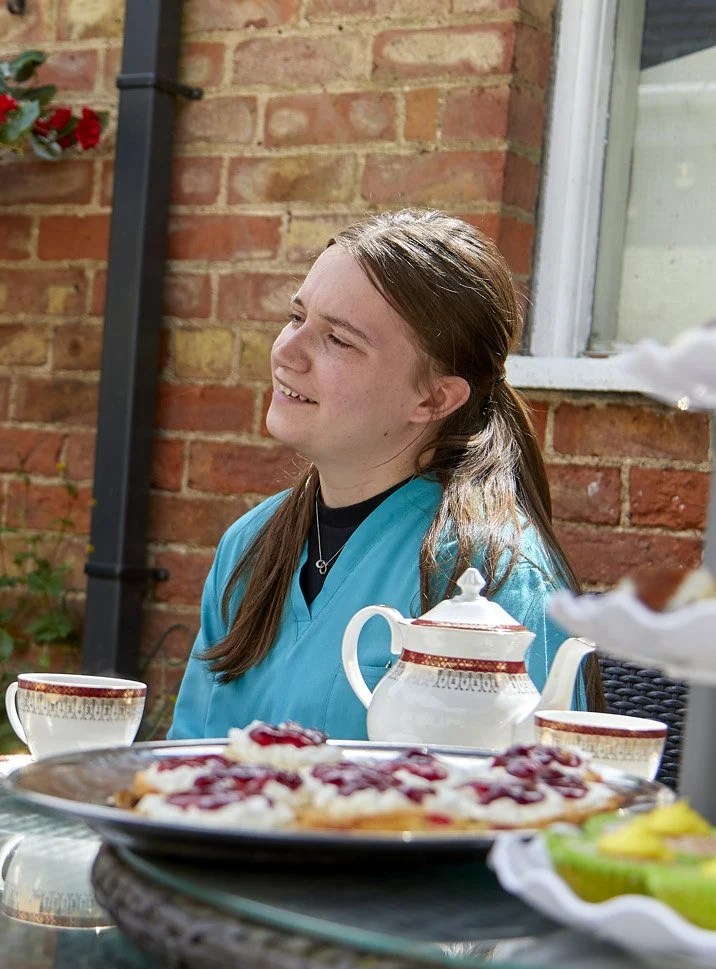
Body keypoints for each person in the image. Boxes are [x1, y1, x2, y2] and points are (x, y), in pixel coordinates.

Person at [168, 209, 601, 741]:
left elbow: (517, 805)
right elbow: (185, 761)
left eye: (339, 340)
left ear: (434, 397)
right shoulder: (250, 546)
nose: (287, 351)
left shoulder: (491, 573)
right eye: (297, 317)